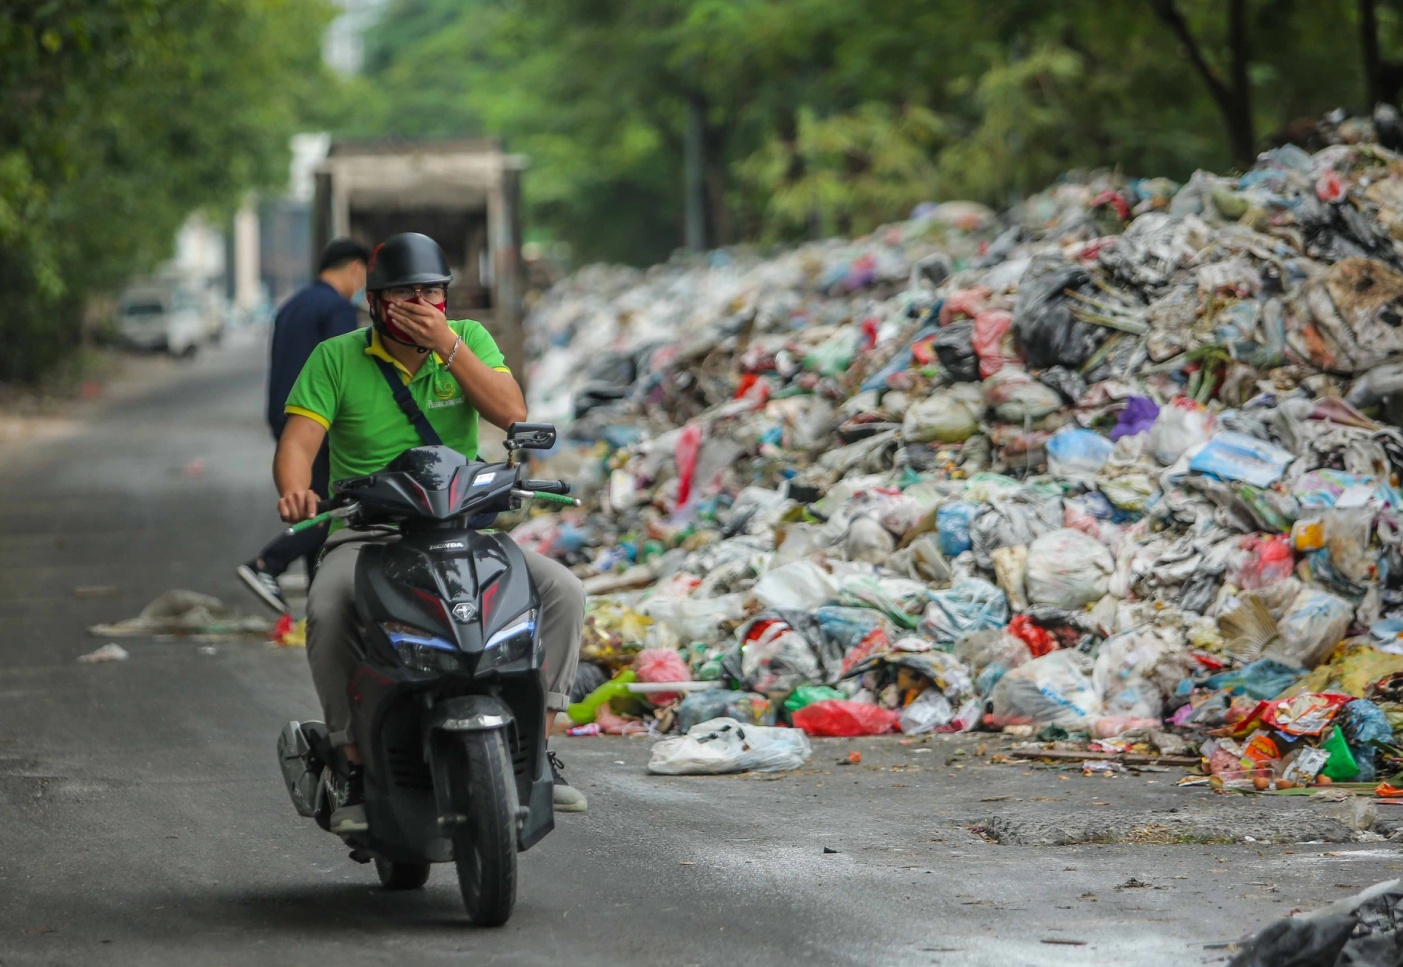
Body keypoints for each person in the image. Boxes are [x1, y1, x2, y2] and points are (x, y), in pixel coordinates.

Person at [274, 232, 587, 833]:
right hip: (369, 532)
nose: (420, 303)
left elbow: (511, 412)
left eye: (431, 293)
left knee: (561, 592)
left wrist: (447, 346)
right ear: (374, 302)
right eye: (403, 294)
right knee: (331, 606)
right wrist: (295, 488)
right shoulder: (335, 358)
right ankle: (353, 764)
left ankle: (538, 752)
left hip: (460, 528)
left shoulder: (467, 341)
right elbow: (298, 443)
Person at [237, 239, 370, 614]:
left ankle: (319, 602)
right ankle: (267, 563)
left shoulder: (292, 305)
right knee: (330, 510)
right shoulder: (336, 309)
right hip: (318, 422)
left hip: (287, 418)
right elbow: (347, 371)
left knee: (314, 505)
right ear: (355, 269)